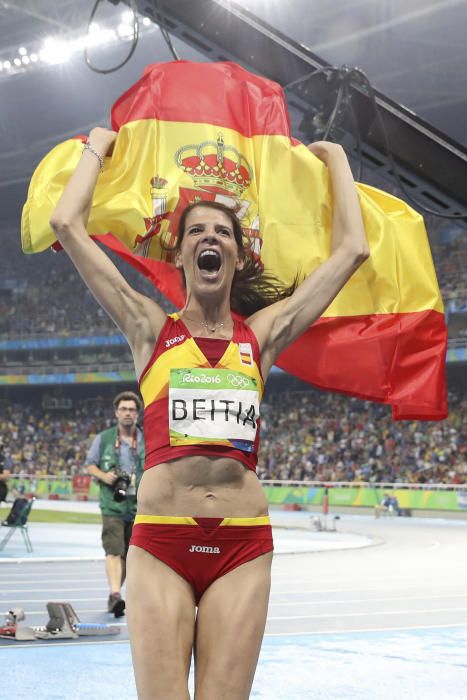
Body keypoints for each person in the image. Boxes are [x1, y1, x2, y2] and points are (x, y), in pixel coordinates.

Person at [50, 126, 369, 699]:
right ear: (180, 253)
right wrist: (96, 146)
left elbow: (353, 251)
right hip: (161, 543)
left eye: (222, 231)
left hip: (243, 545)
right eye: (196, 230)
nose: (209, 236)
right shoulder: (149, 328)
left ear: (237, 254)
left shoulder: (263, 336)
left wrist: (338, 159)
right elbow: (66, 225)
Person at [85, 391, 145, 618]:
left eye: (132, 409)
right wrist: (104, 476)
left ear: (137, 414)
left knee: (130, 556)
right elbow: (90, 465)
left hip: (139, 504)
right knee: (113, 550)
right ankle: (115, 594)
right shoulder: (104, 438)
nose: (127, 413)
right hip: (112, 503)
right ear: (116, 412)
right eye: (124, 409)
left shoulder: (146, 440)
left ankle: (115, 594)